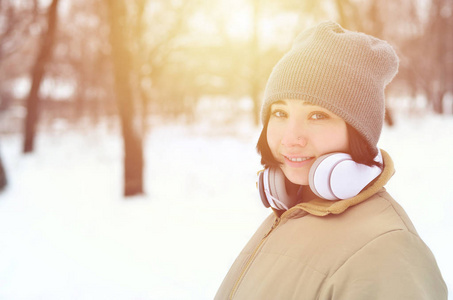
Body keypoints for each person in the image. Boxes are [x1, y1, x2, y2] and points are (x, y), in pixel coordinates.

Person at [215, 21, 447, 300]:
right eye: (280, 113)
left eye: (317, 115)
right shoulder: (292, 212)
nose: (291, 138)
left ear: (358, 132)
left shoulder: (387, 251)